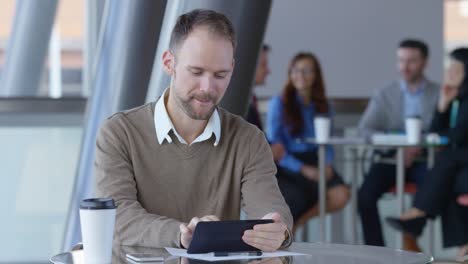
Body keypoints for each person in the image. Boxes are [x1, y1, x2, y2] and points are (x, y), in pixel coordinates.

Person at [94, 9, 293, 251]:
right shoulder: (119, 133)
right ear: (169, 63)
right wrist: (183, 233)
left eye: (221, 75)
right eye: (196, 72)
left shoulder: (248, 139)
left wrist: (276, 230)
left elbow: (271, 207)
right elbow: (119, 216)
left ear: (232, 68)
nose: (207, 88)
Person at [386, 48, 468, 260]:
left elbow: (458, 136)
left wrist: (444, 137)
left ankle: (418, 213)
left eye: (455, 69)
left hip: (460, 161)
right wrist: (442, 105)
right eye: (448, 67)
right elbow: (435, 133)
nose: (449, 73)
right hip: (461, 169)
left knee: (447, 161)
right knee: (450, 180)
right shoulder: (456, 97)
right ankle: (463, 245)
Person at [357, 39, 440, 248]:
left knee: (436, 187)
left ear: (424, 63)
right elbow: (365, 130)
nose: (405, 66)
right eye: (401, 60)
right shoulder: (385, 94)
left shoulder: (439, 93)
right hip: (391, 159)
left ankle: (410, 233)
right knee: (365, 196)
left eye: (411, 61)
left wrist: (418, 146)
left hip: (425, 159)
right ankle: (377, 252)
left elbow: (444, 130)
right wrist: (395, 147)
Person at [266, 52, 350, 224]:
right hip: (290, 162)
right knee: (301, 197)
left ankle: (299, 223)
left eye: (307, 71)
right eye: (295, 71)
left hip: (316, 157)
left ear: (316, 75)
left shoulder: (323, 105)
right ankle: (291, 227)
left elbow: (328, 141)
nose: (300, 76)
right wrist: (303, 169)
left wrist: (326, 163)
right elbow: (277, 147)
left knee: (341, 195)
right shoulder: (279, 103)